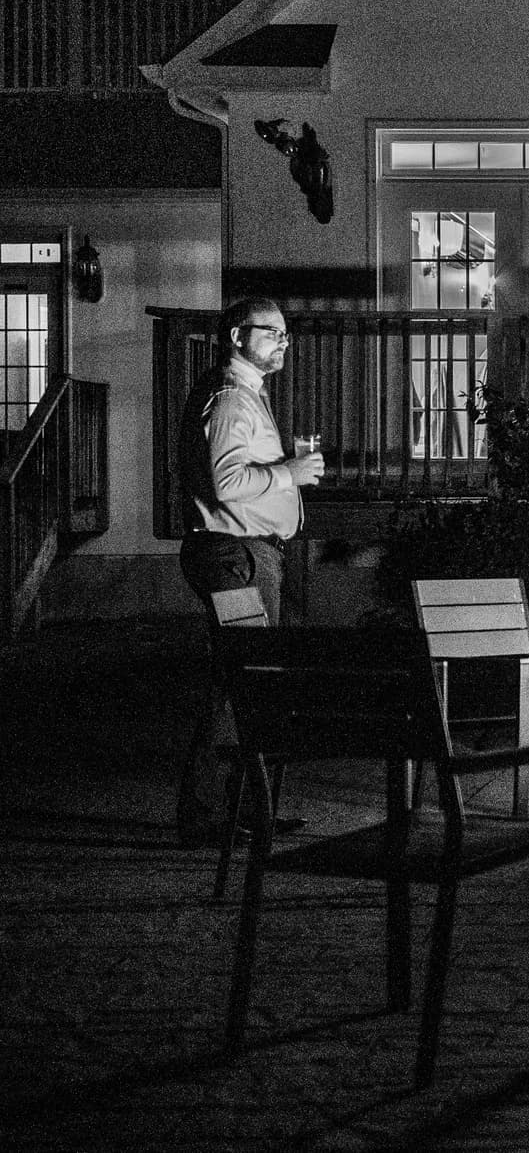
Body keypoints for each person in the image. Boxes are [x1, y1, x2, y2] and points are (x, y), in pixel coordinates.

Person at [174, 298, 323, 848]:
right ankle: (210, 814)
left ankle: (244, 809)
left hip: (247, 553)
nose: (284, 342)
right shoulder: (232, 399)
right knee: (239, 677)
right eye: (272, 333)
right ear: (238, 335)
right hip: (234, 555)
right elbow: (227, 483)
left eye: (286, 335)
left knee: (247, 679)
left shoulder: (245, 395)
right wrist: (290, 471)